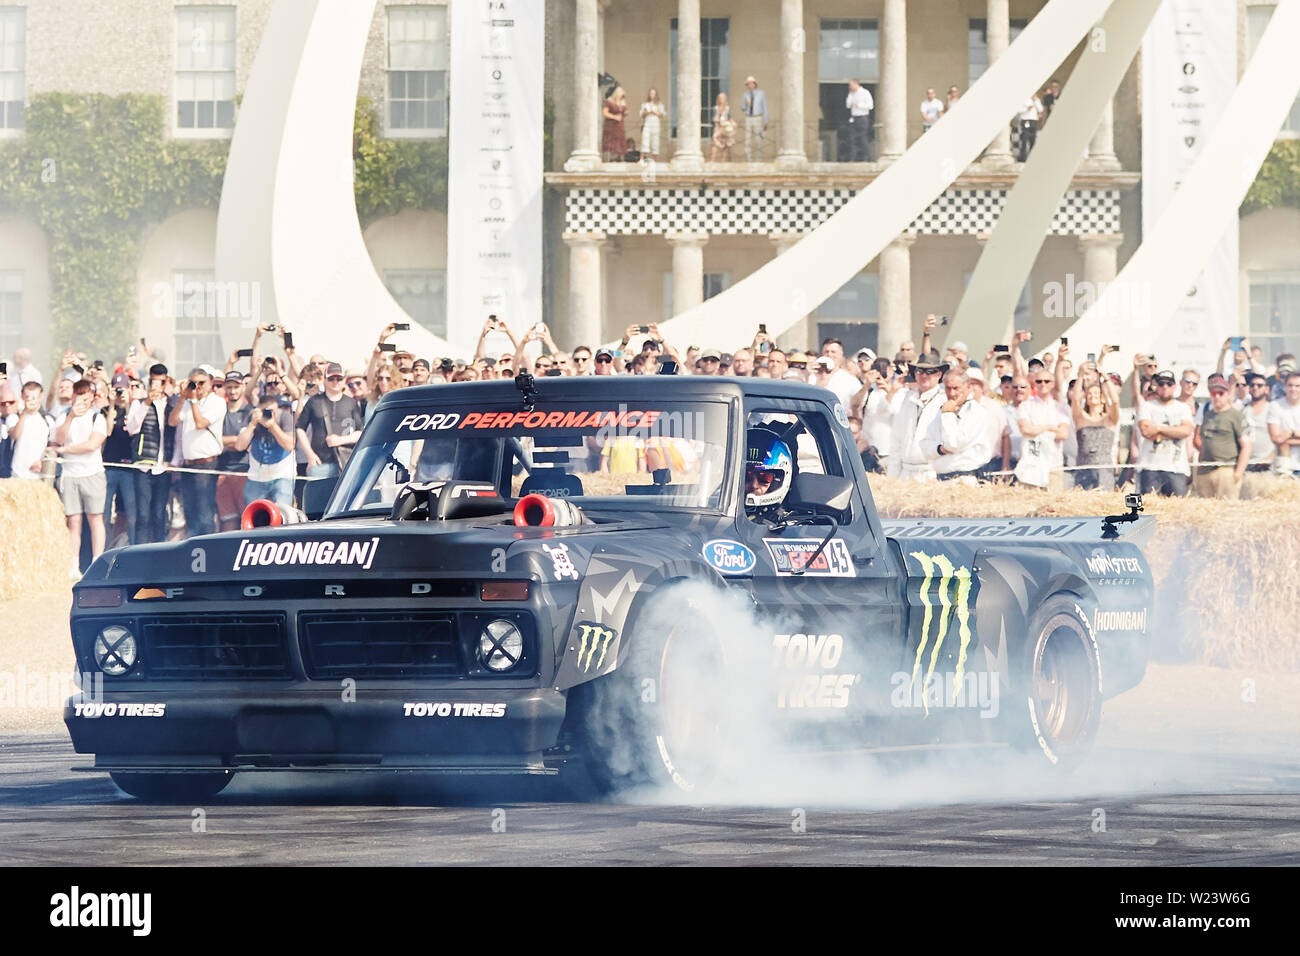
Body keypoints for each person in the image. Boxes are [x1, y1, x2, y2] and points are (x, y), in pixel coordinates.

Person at [53, 380, 107, 574]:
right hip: (70, 474)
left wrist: (66, 449)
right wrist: (70, 417)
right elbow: (58, 438)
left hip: (92, 473)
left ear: (92, 397)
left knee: (95, 518)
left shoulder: (98, 417)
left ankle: (96, 564)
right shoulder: (63, 416)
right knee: (73, 520)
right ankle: (73, 565)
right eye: (79, 393)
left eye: (87, 394)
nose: (83, 397)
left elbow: (92, 445)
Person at [167, 367, 224, 537]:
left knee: (205, 513)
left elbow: (200, 423)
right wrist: (183, 398)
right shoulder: (187, 401)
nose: (197, 387)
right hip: (188, 464)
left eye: (202, 383)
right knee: (190, 512)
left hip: (207, 464)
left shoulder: (217, 402)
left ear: (210, 383)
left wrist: (192, 401)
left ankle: (207, 550)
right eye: (194, 383)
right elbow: (172, 421)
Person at [125, 366, 175, 543]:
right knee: (143, 516)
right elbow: (132, 429)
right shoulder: (138, 403)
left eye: (161, 381)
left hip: (164, 467)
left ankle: (159, 555)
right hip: (143, 466)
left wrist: (174, 461)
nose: (157, 385)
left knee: (159, 515)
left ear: (166, 381)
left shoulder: (172, 404)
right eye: (154, 381)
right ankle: (138, 555)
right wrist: (146, 402)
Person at [297, 362, 363, 480]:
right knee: (318, 498)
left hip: (346, 462)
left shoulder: (351, 403)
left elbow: (360, 433)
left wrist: (340, 440)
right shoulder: (314, 401)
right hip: (319, 464)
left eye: (339, 378)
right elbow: (300, 428)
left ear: (344, 380)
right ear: (324, 380)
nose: (335, 382)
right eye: (331, 378)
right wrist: (310, 455)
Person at [924, 368, 992, 481]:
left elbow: (954, 444)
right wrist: (939, 449)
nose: (952, 393)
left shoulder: (975, 411)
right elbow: (925, 443)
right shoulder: (942, 410)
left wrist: (948, 415)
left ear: (969, 387)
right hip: (941, 477)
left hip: (965, 477)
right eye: (948, 388)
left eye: (956, 388)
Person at [1135, 369, 1195, 496]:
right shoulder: (1146, 406)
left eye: (1168, 384)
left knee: (1177, 510)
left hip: (1177, 468)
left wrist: (1158, 428)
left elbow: (1186, 431)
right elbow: (1146, 431)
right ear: (1157, 386)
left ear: (1174, 386)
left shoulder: (1183, 407)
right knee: (1148, 509)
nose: (1165, 387)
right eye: (1161, 384)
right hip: (1150, 468)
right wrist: (1175, 430)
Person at [889, 357, 947, 482]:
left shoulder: (944, 400)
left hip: (931, 473)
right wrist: (892, 477)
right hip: (905, 473)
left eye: (930, 372)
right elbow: (896, 438)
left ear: (939, 374)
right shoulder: (907, 398)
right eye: (920, 371)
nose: (924, 376)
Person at [1193, 374, 1250, 498]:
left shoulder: (1236, 415)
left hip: (1226, 470)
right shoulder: (1207, 414)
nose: (1217, 396)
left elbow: (1246, 446)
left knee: (1226, 513)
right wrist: (1199, 469)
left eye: (1220, 393)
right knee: (1204, 512)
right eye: (1213, 393)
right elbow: (1202, 443)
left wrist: (1238, 473)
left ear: (1228, 394)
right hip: (1205, 471)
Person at [236, 392, 297, 509]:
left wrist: (272, 426)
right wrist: (252, 424)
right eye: (265, 411)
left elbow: (290, 445)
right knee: (254, 513)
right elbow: (239, 446)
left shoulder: (284, 416)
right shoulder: (252, 418)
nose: (269, 414)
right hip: (257, 477)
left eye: (273, 411)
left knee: (283, 512)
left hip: (282, 474)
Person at [1069, 359, 1120, 490]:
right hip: (1084, 470)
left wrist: (1105, 377)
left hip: (1105, 472)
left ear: (1103, 398)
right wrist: (1080, 376)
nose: (1093, 395)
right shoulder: (1082, 418)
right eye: (1090, 393)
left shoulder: (1110, 420)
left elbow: (1115, 402)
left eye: (1097, 393)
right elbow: (1075, 400)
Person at [1016, 365, 1070, 489]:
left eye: (1047, 381)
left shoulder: (1060, 408)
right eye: (1039, 381)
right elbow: (1025, 430)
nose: (1043, 384)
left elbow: (1063, 434)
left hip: (1053, 466)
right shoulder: (1025, 406)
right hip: (1030, 466)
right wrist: (1049, 427)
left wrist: (1036, 429)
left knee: (1054, 507)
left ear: (1053, 384)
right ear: (1034, 384)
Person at [101, 374, 137, 546]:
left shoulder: (134, 409)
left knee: (131, 512)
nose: (120, 393)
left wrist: (128, 403)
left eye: (123, 389)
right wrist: (112, 405)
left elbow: (132, 430)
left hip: (128, 467)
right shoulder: (106, 410)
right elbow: (107, 432)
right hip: (110, 466)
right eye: (117, 389)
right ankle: (104, 548)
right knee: (105, 512)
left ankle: (133, 546)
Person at [215, 370, 253, 530]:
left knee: (247, 520)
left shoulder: (250, 411)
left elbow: (246, 445)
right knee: (228, 521)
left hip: (244, 471)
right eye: (229, 387)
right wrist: (237, 439)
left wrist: (228, 442)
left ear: (243, 387)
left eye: (236, 387)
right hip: (222, 472)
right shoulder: (219, 410)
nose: (232, 391)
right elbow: (216, 441)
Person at [744, 425, 794, 523]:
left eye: (764, 478)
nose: (754, 485)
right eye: (745, 476)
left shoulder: (786, 525)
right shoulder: (712, 505)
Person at [1240, 371, 1275, 496]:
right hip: (1247, 467)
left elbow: (1280, 438)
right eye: (1252, 385)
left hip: (1268, 467)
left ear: (1266, 389)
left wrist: (1270, 458)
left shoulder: (1273, 409)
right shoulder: (1242, 409)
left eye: (1259, 385)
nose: (1255, 387)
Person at [7, 380, 50, 481]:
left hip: (39, 475)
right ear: (22, 397)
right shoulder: (14, 417)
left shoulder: (47, 420)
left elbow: (52, 446)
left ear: (41, 396)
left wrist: (42, 461)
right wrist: (25, 412)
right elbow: (15, 435)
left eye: (34, 397)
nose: (31, 400)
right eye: (27, 397)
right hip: (17, 474)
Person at [1267, 370, 1300, 476]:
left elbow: (1281, 439)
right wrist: (1294, 433)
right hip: (1283, 466)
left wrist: (1287, 436)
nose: (1293, 389)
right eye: (1290, 385)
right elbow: (1276, 439)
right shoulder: (1275, 406)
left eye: (1297, 386)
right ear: (1285, 386)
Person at [740, 75, 768, 161]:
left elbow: (765, 107)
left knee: (758, 139)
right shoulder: (745, 95)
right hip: (748, 117)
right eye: (748, 84)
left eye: (751, 83)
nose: (750, 85)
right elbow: (742, 108)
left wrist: (765, 120)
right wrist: (745, 104)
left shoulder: (761, 93)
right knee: (747, 139)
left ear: (755, 84)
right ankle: (749, 159)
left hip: (758, 117)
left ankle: (758, 159)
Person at [845, 78, 873, 161]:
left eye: (851, 85)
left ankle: (865, 157)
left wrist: (858, 105)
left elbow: (870, 106)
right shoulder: (851, 94)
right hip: (854, 118)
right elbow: (848, 105)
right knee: (852, 138)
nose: (850, 87)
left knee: (862, 138)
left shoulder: (865, 93)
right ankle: (852, 158)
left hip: (862, 117)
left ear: (856, 84)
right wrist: (850, 95)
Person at [602, 86, 627, 162]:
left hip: (619, 125)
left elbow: (623, 112)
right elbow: (604, 113)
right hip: (611, 125)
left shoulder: (622, 102)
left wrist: (625, 113)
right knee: (611, 142)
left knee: (620, 141)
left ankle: (620, 158)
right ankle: (611, 159)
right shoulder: (609, 101)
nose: (623, 97)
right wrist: (614, 117)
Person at [1016, 93, 1044, 162]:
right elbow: (1019, 110)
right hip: (1026, 120)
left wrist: (1035, 100)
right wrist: (1027, 109)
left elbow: (1041, 109)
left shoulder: (1036, 99)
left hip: (1033, 121)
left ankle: (1032, 157)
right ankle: (1023, 157)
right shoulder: (1023, 99)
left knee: (1033, 139)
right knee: (1024, 138)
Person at [639, 88, 665, 160]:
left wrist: (655, 112)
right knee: (645, 139)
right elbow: (642, 114)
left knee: (655, 141)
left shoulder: (659, 104)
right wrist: (647, 112)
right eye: (650, 93)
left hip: (655, 124)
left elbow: (662, 115)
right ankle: (641, 159)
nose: (652, 95)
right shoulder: (645, 104)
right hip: (647, 123)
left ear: (656, 95)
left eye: (653, 93)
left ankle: (654, 160)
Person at [710, 91, 734, 162]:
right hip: (718, 127)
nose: (721, 99)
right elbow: (713, 118)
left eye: (723, 98)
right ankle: (712, 159)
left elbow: (729, 117)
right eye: (720, 98)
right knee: (714, 143)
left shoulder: (727, 108)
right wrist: (716, 118)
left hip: (725, 128)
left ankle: (723, 160)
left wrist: (732, 124)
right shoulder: (715, 108)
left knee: (725, 144)